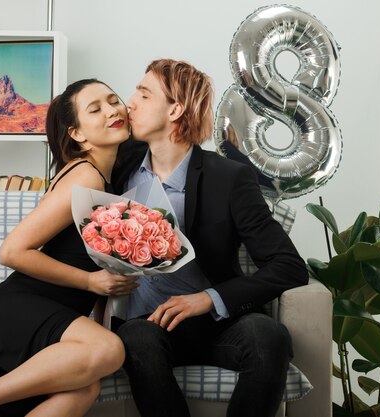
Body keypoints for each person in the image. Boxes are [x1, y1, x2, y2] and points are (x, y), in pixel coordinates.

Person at [0, 79, 137, 417]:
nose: (112, 111)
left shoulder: (110, 178)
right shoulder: (85, 176)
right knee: (108, 351)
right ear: (77, 133)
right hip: (17, 311)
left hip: (57, 317)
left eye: (113, 100)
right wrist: (91, 282)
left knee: (85, 387)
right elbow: (12, 251)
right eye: (95, 109)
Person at [111, 59, 309, 417]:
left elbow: (289, 267)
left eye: (143, 93)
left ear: (175, 109)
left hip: (217, 325)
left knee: (270, 336)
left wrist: (208, 299)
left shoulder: (229, 178)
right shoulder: (119, 164)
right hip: (148, 326)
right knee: (137, 337)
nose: (130, 103)